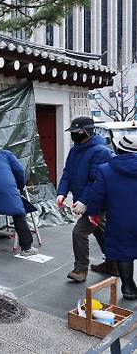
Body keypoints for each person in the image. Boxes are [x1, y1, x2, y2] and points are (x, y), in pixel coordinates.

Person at [56, 117, 114, 282]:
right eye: (72, 132)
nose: (73, 135)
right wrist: (62, 192)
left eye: (77, 132)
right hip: (84, 198)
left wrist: (84, 201)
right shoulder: (75, 150)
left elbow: (96, 180)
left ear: (87, 131)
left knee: (79, 232)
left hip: (98, 201)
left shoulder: (100, 151)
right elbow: (67, 173)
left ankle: (80, 269)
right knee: (99, 230)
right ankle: (113, 263)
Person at [85, 135, 137, 300]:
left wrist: (93, 214)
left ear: (118, 149)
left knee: (124, 253)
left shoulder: (105, 170)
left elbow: (96, 197)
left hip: (120, 220)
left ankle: (128, 288)